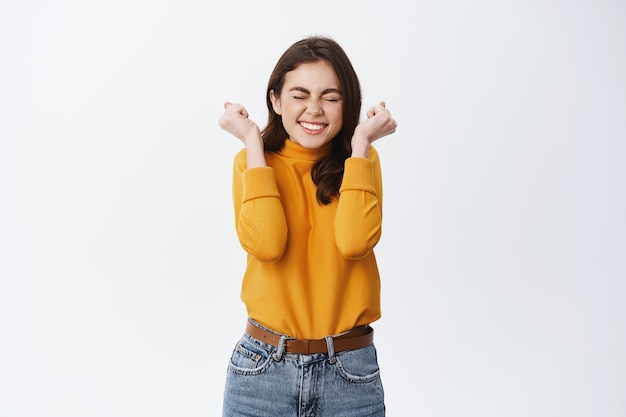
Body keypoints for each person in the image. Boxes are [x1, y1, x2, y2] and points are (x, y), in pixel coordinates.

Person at [218, 35, 397, 417]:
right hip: (262, 372)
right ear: (275, 100)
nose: (314, 110)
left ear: (347, 104)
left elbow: (354, 241)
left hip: (350, 374)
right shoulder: (252, 163)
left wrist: (361, 144)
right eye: (299, 95)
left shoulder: (361, 163)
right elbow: (266, 245)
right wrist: (253, 142)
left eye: (331, 97)